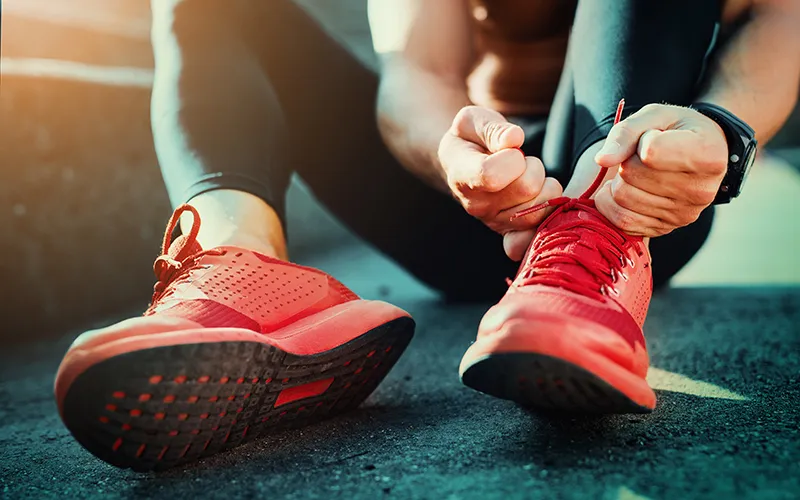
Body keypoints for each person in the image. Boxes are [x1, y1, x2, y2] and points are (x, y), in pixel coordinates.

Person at [54, 0, 799, 471]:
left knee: (619, 167)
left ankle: (586, 257)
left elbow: (779, 16)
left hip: (644, 196)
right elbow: (415, 69)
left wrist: (723, 132)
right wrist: (454, 157)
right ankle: (242, 270)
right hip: (472, 198)